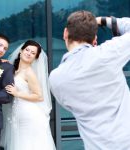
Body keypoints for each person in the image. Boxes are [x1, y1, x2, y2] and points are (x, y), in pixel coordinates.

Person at [49, 10, 130, 150]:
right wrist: (104, 20)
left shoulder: (56, 78)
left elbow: (68, 105)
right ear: (95, 40)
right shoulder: (106, 55)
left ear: (65, 33)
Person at [0, 40, 56, 150]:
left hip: (29, 116)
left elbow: (39, 96)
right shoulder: (13, 69)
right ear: (21, 51)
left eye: (33, 53)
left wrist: (17, 93)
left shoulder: (29, 73)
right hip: (17, 114)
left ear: (35, 58)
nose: (29, 53)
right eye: (27, 50)